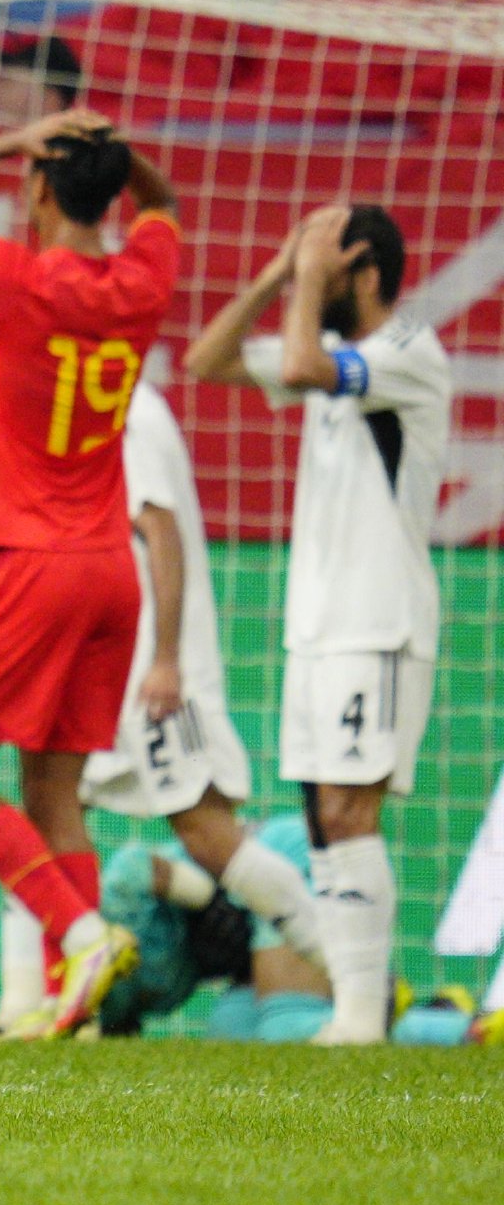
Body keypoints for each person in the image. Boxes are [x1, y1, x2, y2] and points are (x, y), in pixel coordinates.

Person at [0, 108, 179, 1038]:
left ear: (39, 188)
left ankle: (83, 934)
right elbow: (165, 203)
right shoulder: (142, 279)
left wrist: (16, 138)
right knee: (54, 793)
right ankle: (76, 1002)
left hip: (35, 564)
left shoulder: (16, 279)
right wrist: (113, 158)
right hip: (109, 569)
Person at [184, 203, 452, 1044]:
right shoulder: (336, 354)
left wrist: (303, 281)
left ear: (362, 269)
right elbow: (206, 360)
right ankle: (355, 1012)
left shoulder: (408, 351)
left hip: (378, 620)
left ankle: (362, 1019)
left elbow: (299, 364)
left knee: (347, 814)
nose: (307, 274)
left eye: (322, 261)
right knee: (317, 819)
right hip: (318, 624)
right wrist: (277, 272)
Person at [0, 382, 324, 1031]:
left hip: (152, 668)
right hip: (100, 656)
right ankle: (24, 1007)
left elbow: (159, 527)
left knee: (206, 833)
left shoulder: (125, 406)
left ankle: (351, 973)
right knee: (41, 815)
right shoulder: (80, 399)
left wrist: (168, 657)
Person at [84, 817, 498, 1046]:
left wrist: (211, 898)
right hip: (251, 936)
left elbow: (132, 867)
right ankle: (429, 1009)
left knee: (287, 1027)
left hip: (278, 868)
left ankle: (469, 1031)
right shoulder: (116, 1003)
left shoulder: (106, 959)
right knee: (231, 1033)